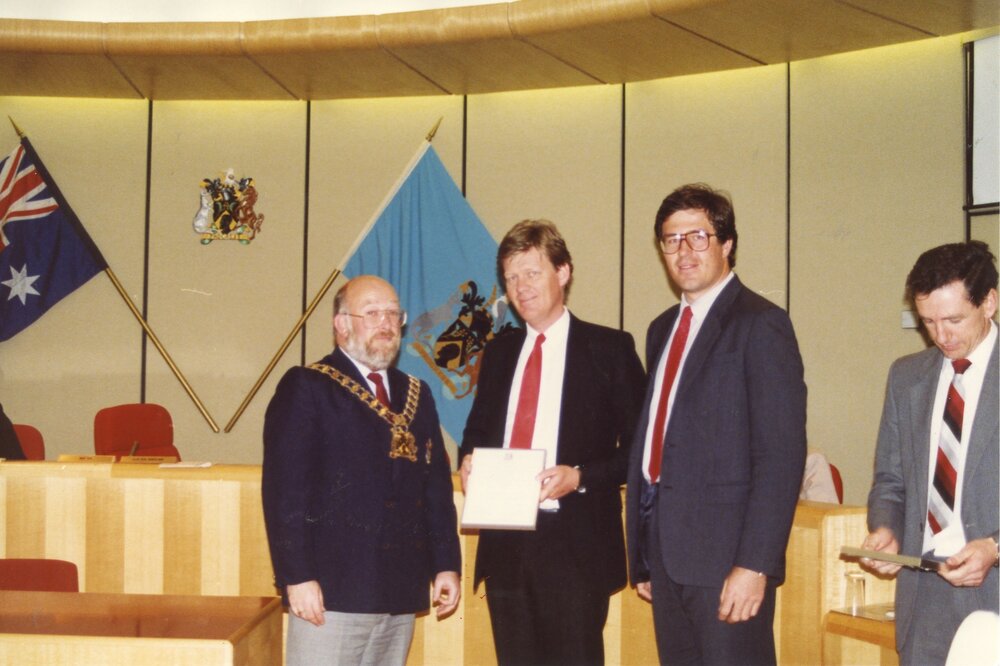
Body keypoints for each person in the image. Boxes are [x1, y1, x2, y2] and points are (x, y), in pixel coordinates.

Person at [625, 183, 807, 665]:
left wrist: (754, 565)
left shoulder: (761, 324)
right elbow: (658, 444)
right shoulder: (662, 329)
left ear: (727, 244)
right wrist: (644, 552)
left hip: (728, 562)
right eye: (671, 239)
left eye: (698, 237)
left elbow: (781, 458)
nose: (683, 251)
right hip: (667, 557)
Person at [459, 219, 646, 665]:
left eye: (532, 272)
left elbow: (641, 450)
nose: (520, 287)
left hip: (575, 546)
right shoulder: (499, 352)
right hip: (506, 545)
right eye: (511, 277)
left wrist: (579, 477)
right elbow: (477, 431)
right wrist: (467, 458)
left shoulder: (610, 349)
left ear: (563, 272)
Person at [261, 275, 461, 666]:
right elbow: (284, 492)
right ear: (342, 324)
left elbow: (434, 491)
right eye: (371, 313)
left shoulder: (418, 394)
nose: (386, 324)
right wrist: (296, 577)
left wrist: (446, 565)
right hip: (330, 594)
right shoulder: (308, 386)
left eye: (393, 314)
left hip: (398, 593)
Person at [861, 241, 998, 666]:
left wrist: (995, 547)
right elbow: (890, 480)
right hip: (925, 604)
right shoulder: (906, 377)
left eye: (954, 319)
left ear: (989, 302)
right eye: (928, 322)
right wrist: (887, 529)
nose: (941, 336)